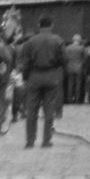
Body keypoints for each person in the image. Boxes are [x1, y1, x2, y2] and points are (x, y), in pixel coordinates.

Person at [19, 15, 65, 150]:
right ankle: (46, 140)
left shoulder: (30, 41)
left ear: (39, 26)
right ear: (52, 25)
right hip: (51, 75)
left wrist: (26, 77)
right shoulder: (58, 40)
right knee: (49, 110)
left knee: (31, 110)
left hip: (34, 76)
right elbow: (64, 59)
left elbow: (25, 63)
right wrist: (55, 64)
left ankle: (30, 140)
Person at [63, 34, 85, 106]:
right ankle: (77, 99)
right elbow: (84, 58)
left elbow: (65, 57)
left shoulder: (68, 47)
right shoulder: (82, 48)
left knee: (70, 83)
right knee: (78, 84)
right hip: (79, 67)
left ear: (73, 40)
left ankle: (69, 99)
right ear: (80, 40)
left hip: (69, 67)